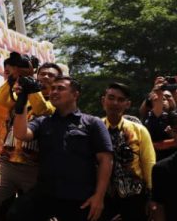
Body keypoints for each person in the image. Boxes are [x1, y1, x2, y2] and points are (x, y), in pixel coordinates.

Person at [8, 76, 113, 221]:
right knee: (16, 213)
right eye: (53, 89)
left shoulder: (92, 123)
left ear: (75, 94)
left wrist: (99, 197)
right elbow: (20, 133)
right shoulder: (43, 121)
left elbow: (106, 161)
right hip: (46, 195)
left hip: (79, 198)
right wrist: (22, 100)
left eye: (60, 88)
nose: (54, 92)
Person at [0, 59, 59, 221]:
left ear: (57, 82)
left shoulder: (57, 104)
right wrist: (12, 78)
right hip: (8, 164)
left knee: (36, 212)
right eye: (42, 74)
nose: (45, 77)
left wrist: (30, 87)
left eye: (50, 75)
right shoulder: (22, 94)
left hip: (35, 169)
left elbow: (42, 109)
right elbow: (2, 100)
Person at [99, 82, 155, 221]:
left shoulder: (139, 130)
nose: (115, 103)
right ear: (103, 100)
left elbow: (149, 163)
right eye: (111, 98)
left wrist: (153, 196)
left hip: (135, 196)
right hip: (102, 196)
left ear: (127, 104)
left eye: (120, 99)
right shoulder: (94, 129)